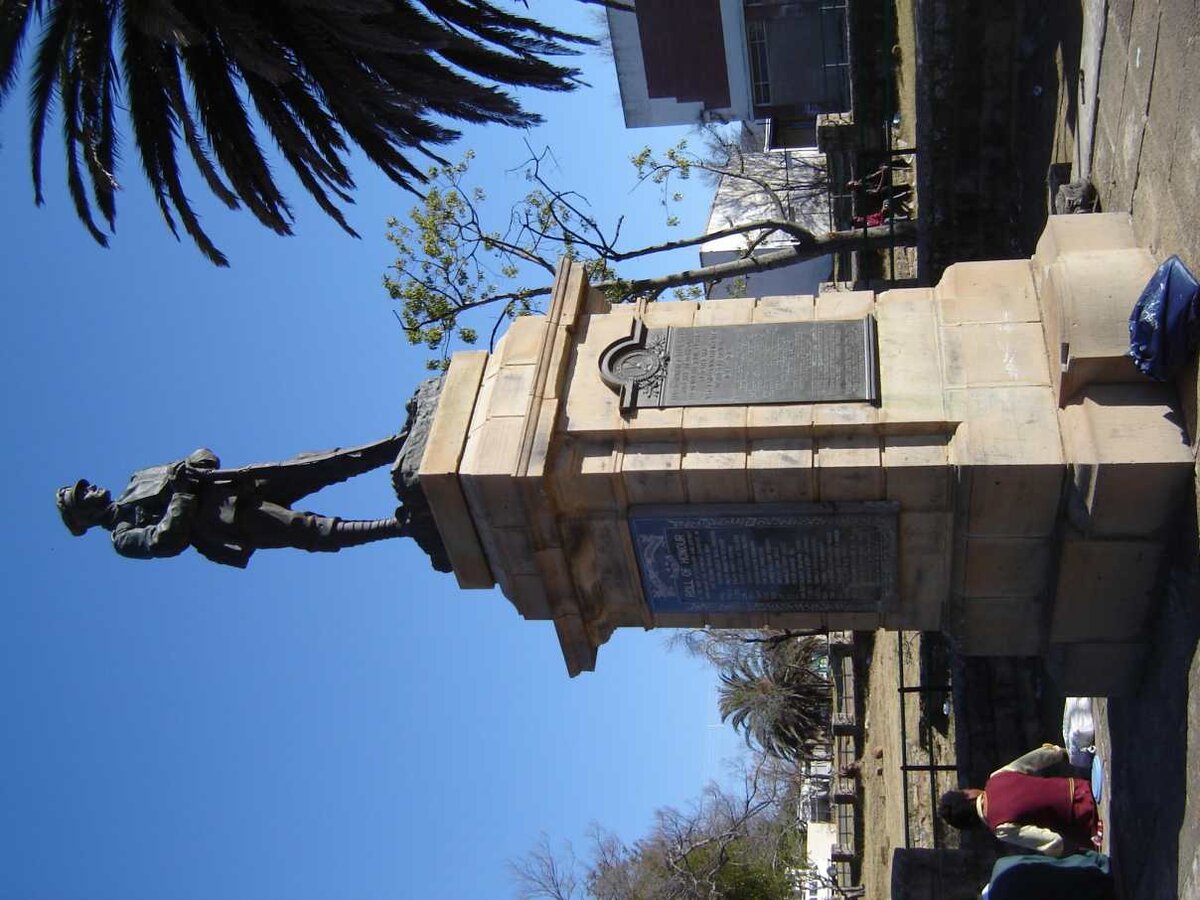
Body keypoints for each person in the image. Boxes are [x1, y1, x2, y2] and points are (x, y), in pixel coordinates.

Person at [56, 435, 412, 568]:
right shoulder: (122, 537)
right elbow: (165, 542)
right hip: (224, 521)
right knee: (309, 529)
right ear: (84, 516)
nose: (91, 489)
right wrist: (183, 494)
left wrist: (198, 463)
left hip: (236, 484)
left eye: (84, 486)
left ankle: (396, 445)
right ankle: (400, 526)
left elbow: (196, 455)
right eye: (82, 495)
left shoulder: (137, 479)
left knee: (320, 463)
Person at [938, 744, 1102, 857]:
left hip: (1087, 823)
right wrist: (1063, 753)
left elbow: (1053, 842)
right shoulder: (997, 777)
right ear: (969, 796)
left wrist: (1074, 856)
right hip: (1082, 788)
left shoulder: (1000, 827)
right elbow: (1041, 757)